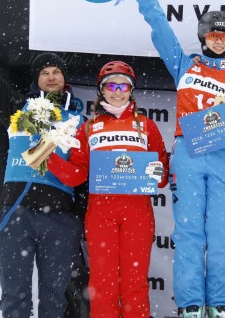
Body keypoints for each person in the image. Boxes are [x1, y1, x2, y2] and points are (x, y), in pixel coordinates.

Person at [128, 0, 225, 318]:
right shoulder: (185, 65)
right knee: (188, 233)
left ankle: (219, 304)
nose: (219, 41)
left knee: (223, 234)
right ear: (204, 37)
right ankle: (190, 305)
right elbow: (161, 31)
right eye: (213, 35)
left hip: (224, 157)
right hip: (188, 152)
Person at [0, 2, 85, 317]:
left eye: (56, 72)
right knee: (15, 296)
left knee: (55, 299)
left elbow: (84, 174)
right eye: (44, 72)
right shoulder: (19, 109)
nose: (51, 77)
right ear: (36, 80)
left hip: (61, 219)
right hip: (18, 214)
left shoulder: (79, 120)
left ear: (64, 79)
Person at [47, 61, 169, 318]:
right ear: (101, 90)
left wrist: (158, 172)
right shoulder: (88, 127)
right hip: (101, 213)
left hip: (137, 213)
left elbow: (161, 176)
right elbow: (77, 174)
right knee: (103, 285)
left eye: (123, 85)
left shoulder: (146, 126)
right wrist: (47, 158)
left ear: (131, 90)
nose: (117, 91)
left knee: (134, 283)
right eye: (111, 85)